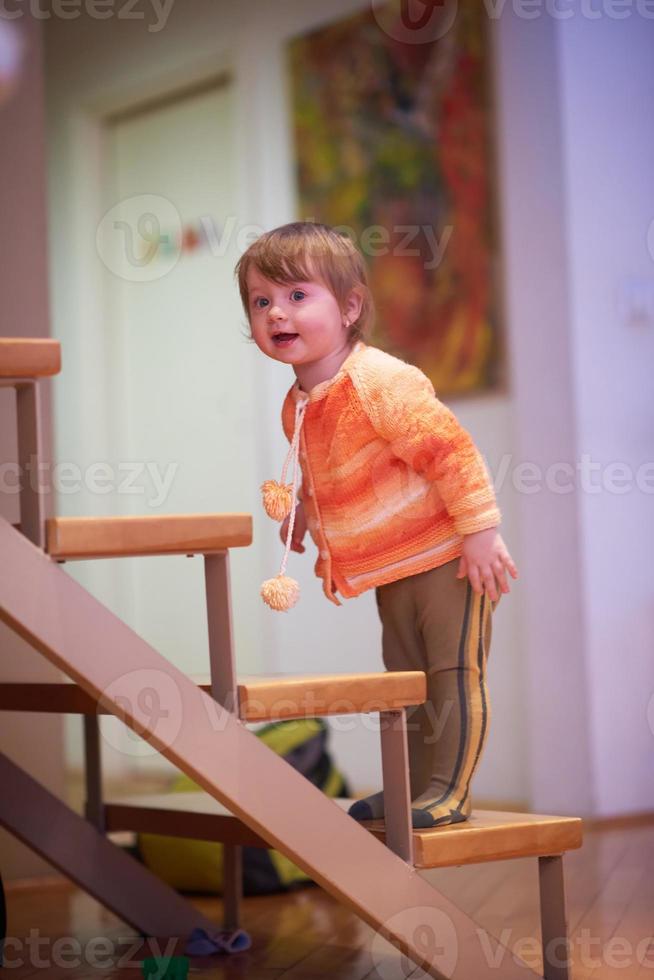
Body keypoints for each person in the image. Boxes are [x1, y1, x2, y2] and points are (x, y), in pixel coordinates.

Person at [234, 222, 519, 829]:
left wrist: (480, 533)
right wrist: (305, 518)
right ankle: (410, 787)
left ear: (351, 307)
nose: (276, 313)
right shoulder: (300, 404)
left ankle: (450, 790)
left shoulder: (380, 382)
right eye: (262, 302)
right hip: (393, 568)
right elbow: (324, 471)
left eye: (297, 296)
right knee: (406, 684)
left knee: (452, 674)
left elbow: (451, 451)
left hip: (446, 557)